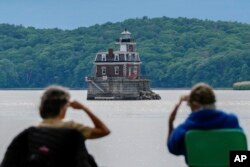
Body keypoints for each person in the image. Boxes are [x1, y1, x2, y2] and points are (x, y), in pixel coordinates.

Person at [1, 85, 110, 167]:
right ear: (63, 108)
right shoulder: (73, 129)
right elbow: (104, 131)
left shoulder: (30, 133)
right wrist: (84, 108)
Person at [167, 83, 242, 157]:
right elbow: (241, 149)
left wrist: (171, 122)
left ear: (194, 105)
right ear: (213, 101)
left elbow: (173, 148)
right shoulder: (231, 122)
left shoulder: (186, 129)